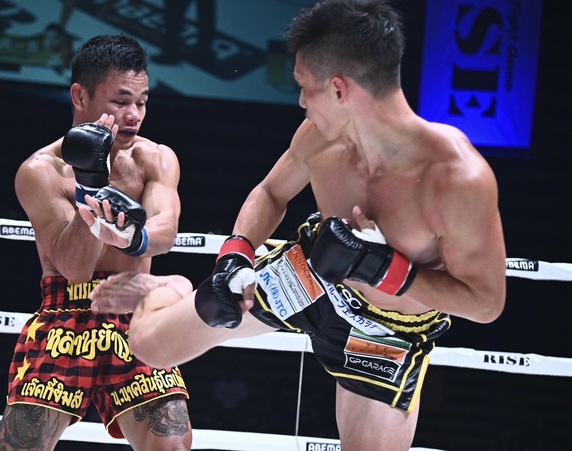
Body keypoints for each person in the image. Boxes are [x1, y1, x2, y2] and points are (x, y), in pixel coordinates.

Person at [87, 1, 507, 450]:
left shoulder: (455, 178)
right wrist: (235, 255)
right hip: (310, 273)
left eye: (306, 87)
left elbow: (486, 303)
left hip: (385, 329)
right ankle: (169, 287)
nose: (302, 101)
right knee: (150, 347)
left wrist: (384, 270)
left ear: (340, 90)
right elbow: (271, 192)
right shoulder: (319, 136)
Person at [0, 34, 192, 451]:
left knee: (172, 444)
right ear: (80, 96)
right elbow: (74, 267)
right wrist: (91, 184)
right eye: (121, 101)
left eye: (142, 102)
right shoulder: (41, 171)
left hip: (133, 312)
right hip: (65, 312)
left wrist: (132, 237)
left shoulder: (155, 159)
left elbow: (166, 231)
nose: (134, 115)